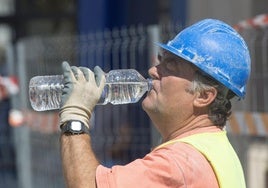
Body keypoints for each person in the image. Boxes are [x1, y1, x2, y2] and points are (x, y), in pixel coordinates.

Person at [59, 18, 250, 188]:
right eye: (160, 61)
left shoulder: (179, 164)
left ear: (203, 96)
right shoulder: (214, 150)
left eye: (170, 66)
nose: (152, 70)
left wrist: (75, 115)